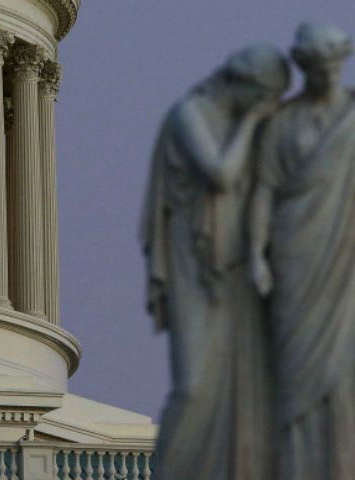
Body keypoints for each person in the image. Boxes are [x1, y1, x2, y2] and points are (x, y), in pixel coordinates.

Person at [142, 45, 290, 480]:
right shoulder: (191, 113)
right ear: (247, 85)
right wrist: (250, 121)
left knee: (241, 389)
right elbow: (221, 175)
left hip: (232, 266)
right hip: (193, 262)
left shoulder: (236, 125)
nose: (268, 108)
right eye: (266, 97)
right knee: (193, 386)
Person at [250, 23, 355, 480]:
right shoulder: (282, 123)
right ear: (304, 67)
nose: (326, 75)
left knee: (342, 366)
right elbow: (262, 190)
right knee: (294, 369)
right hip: (293, 253)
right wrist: (255, 253)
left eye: (332, 65)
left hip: (344, 254)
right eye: (316, 67)